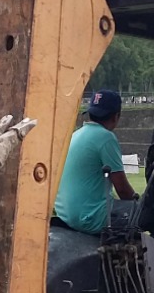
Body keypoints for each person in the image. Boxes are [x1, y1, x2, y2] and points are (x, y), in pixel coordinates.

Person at [54, 89, 136, 234]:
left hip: (65, 216)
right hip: (90, 219)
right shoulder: (106, 138)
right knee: (143, 213)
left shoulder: (74, 136)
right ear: (116, 117)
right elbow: (122, 190)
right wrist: (140, 203)